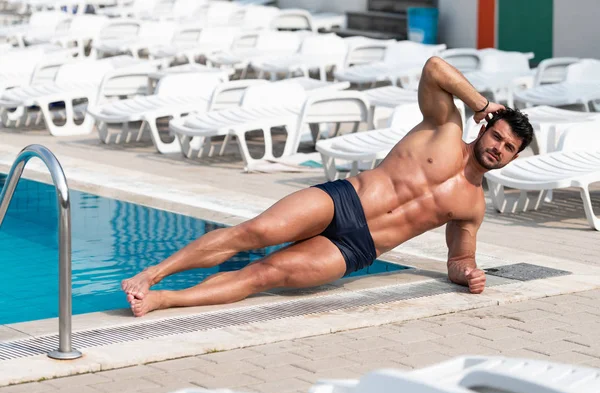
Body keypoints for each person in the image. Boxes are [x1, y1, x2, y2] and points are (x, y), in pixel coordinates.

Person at [122, 56, 534, 317]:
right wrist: (481, 103)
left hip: (358, 248)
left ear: (514, 157)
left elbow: (459, 258)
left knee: (265, 273)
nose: (498, 147)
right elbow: (433, 68)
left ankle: (162, 301)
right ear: (485, 129)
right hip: (345, 201)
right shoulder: (445, 128)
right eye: (497, 136)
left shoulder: (472, 206)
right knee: (254, 233)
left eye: (509, 148)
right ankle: (152, 275)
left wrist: (469, 274)